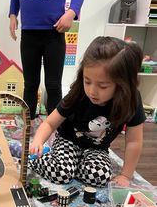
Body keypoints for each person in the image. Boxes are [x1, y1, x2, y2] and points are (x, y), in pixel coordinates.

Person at [29, 36, 146, 188]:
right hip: (68, 141)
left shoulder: (131, 99)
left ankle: (72, 166)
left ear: (122, 84)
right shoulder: (78, 93)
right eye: (87, 81)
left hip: (97, 148)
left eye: (103, 86)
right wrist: (38, 141)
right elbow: (50, 123)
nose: (92, 91)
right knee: (61, 174)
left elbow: (134, 141)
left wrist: (125, 175)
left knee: (100, 176)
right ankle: (34, 159)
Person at [9, 0, 85, 138]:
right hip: (30, 34)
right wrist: (13, 14)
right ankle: (28, 124)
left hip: (54, 34)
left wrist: (71, 13)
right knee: (30, 83)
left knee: (53, 84)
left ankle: (54, 129)